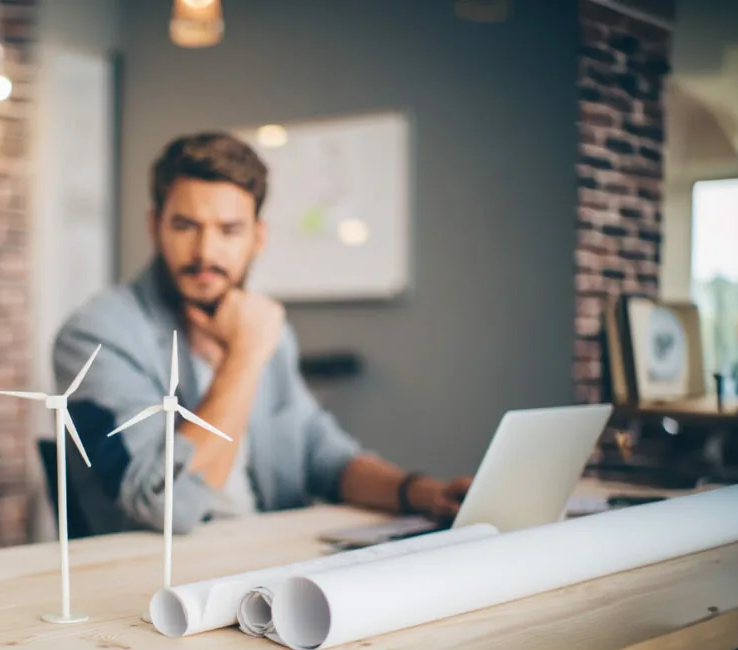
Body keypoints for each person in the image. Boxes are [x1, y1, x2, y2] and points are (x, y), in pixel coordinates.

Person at [52, 131, 471, 535]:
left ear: (258, 237)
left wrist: (421, 493)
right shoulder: (96, 335)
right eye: (184, 226)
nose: (205, 252)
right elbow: (167, 503)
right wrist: (245, 356)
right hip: (155, 583)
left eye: (229, 230)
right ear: (154, 226)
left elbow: (321, 454)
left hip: (266, 562)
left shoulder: (262, 326)